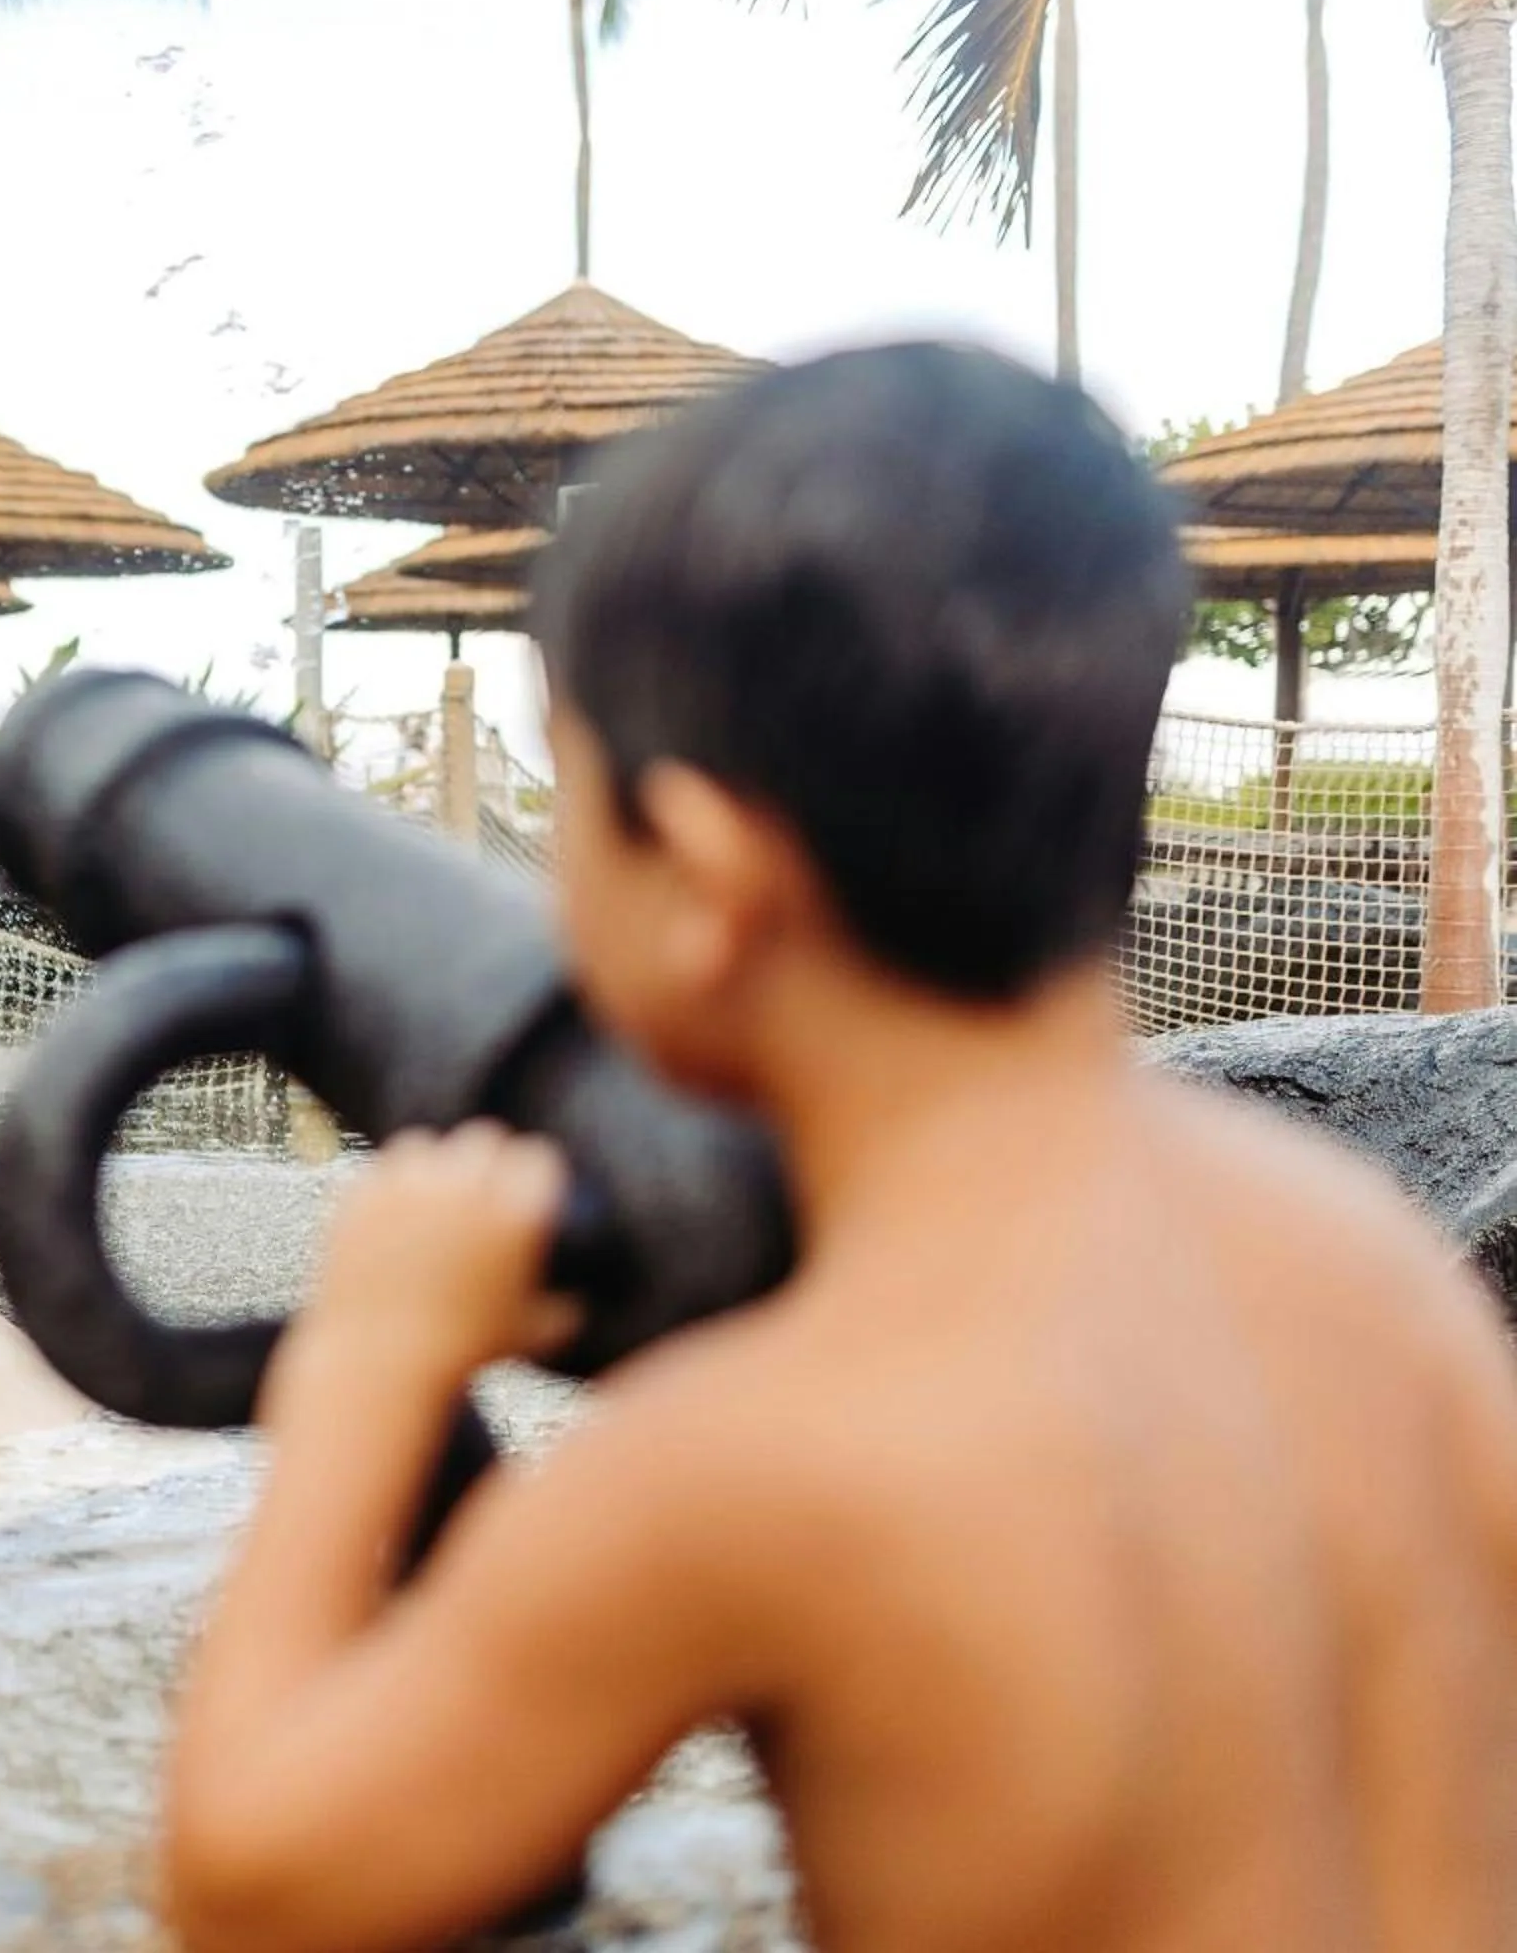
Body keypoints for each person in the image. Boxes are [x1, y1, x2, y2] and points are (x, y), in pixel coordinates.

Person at [157, 345, 1517, 1952]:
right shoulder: (1377, 1269)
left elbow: (251, 1875)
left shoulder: (753, 1452)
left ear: (704, 872)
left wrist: (371, 1365)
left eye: (571, 806)